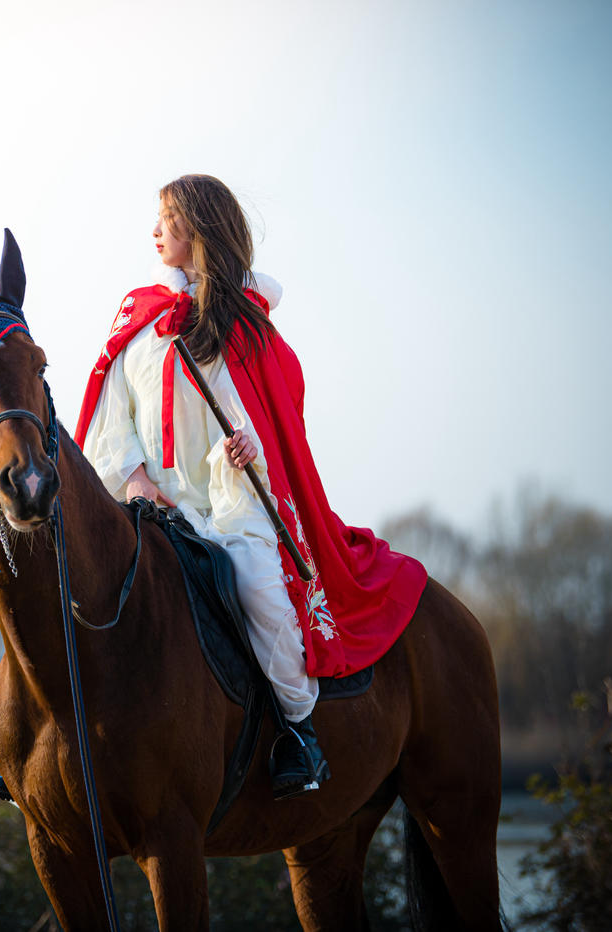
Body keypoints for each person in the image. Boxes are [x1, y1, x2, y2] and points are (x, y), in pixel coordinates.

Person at [73, 174, 428, 799]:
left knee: (260, 589)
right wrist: (133, 480)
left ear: (199, 230)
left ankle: (300, 731)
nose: (155, 231)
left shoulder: (247, 327)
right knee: (72, 578)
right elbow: (112, 411)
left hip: (232, 500)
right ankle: (47, 741)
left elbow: (276, 413)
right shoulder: (138, 317)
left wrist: (251, 447)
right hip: (146, 504)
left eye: (168, 219)